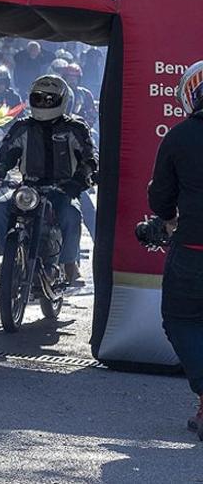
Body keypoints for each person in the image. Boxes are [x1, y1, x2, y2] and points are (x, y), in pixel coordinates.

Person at [0, 75, 96, 284]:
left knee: (71, 214)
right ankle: (8, 258)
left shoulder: (75, 128)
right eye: (38, 99)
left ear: (62, 101)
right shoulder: (22, 127)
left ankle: (68, 264)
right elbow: (5, 154)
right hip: (29, 188)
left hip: (63, 189)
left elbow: (89, 159)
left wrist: (78, 182)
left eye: (49, 100)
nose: (43, 104)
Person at [148, 61, 203, 439]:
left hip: (195, 249)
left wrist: (166, 219)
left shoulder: (180, 136)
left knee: (181, 320)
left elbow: (161, 201)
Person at [62, 63, 99, 129]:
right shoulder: (59, 93)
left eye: (74, 78)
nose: (72, 81)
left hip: (80, 128)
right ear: (65, 78)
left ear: (78, 79)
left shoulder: (85, 94)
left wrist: (84, 125)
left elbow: (92, 114)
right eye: (69, 78)